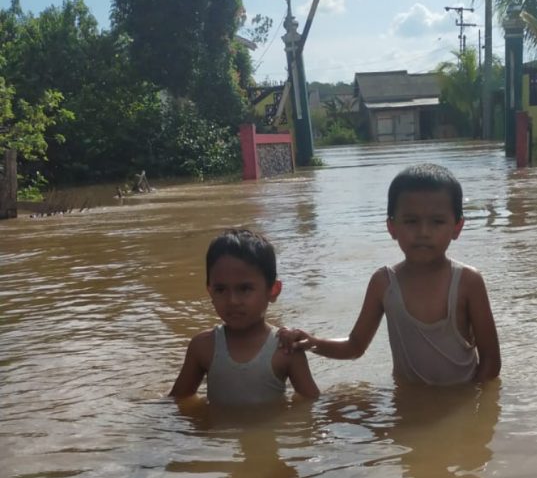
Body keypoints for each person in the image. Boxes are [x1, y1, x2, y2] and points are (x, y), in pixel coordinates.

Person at [280, 163, 501, 385]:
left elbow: (491, 362)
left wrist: (473, 410)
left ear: (457, 227)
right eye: (411, 221)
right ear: (392, 227)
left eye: (437, 222)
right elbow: (355, 346)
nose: (423, 232)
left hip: (461, 398)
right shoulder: (383, 283)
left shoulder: (468, 282)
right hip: (408, 404)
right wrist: (311, 342)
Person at [170, 228, 319, 404]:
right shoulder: (202, 347)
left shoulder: (285, 349)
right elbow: (177, 400)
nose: (232, 300)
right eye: (221, 290)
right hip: (218, 432)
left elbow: (312, 404)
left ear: (273, 290)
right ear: (210, 292)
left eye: (245, 289)